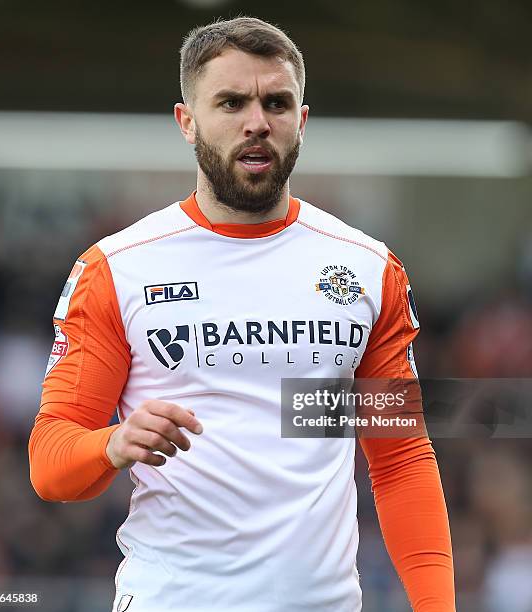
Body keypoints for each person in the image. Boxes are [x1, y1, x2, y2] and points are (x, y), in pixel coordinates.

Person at [28, 16, 455, 612]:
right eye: (232, 102)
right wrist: (115, 443)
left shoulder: (366, 270)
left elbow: (401, 459)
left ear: (301, 122)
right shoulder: (117, 269)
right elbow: (51, 464)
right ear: (187, 122)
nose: (257, 121)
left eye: (277, 103)